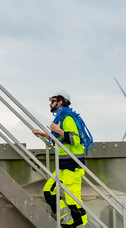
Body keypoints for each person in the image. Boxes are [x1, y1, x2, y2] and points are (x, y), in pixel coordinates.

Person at [33, 90, 88, 228]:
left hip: (72, 167)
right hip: (63, 167)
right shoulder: (61, 120)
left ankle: (81, 226)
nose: (50, 104)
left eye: (52, 101)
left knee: (73, 200)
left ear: (60, 102)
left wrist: (57, 130)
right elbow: (60, 140)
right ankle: (68, 222)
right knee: (49, 192)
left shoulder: (68, 119)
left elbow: (75, 139)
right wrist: (44, 134)